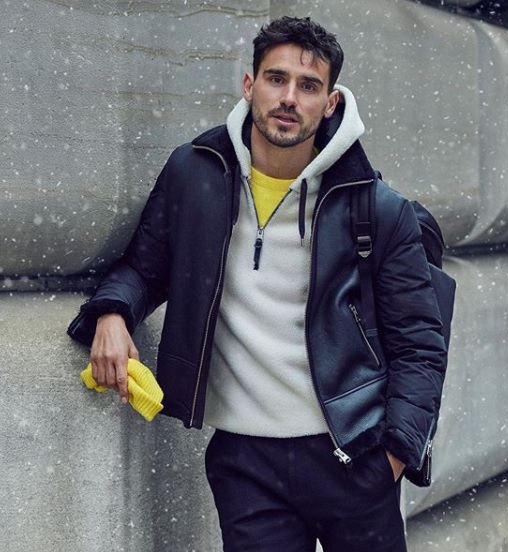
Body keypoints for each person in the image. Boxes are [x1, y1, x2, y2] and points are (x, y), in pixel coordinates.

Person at [68, 16, 448, 552]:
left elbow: (420, 344)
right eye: (276, 78)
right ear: (249, 85)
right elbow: (144, 268)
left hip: (353, 454)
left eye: (308, 86)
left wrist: (394, 456)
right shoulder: (196, 174)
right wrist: (111, 314)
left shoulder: (375, 207)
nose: (289, 97)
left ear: (330, 104)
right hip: (246, 465)